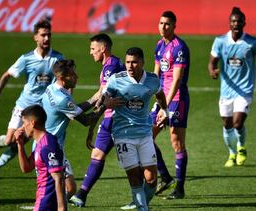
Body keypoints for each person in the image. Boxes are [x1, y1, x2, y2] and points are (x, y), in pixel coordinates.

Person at [0, 20, 64, 181]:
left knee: (20, 140)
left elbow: (64, 79)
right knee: (10, 140)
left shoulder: (57, 58)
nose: (46, 38)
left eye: (49, 35)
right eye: (43, 35)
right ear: (35, 37)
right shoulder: (26, 59)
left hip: (39, 110)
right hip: (23, 106)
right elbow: (6, 75)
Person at [104, 47, 168, 211]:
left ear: (142, 63)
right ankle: (142, 207)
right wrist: (107, 103)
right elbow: (104, 97)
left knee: (152, 179)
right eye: (127, 62)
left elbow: (160, 95)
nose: (130, 66)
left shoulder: (152, 80)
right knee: (134, 176)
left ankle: (141, 203)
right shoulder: (116, 79)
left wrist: (164, 110)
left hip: (145, 135)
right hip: (123, 135)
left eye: (134, 62)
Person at [41, 59, 115, 199]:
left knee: (69, 189)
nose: (77, 77)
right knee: (52, 191)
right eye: (72, 75)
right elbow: (86, 120)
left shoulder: (53, 87)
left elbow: (74, 109)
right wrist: (105, 105)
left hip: (51, 145)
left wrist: (94, 98)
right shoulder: (61, 99)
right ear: (62, 78)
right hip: (50, 148)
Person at [208, 7, 256, 167]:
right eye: (233, 21)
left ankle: (241, 147)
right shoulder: (220, 41)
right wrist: (212, 70)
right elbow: (212, 61)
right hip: (227, 90)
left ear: (244, 23)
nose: (236, 24)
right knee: (226, 124)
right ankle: (232, 153)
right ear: (229, 23)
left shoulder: (252, 42)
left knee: (237, 123)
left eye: (239, 21)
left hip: (245, 89)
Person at [69, 33, 125, 207]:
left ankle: (151, 187)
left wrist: (88, 117)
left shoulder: (111, 67)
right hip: (111, 117)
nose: (90, 52)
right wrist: (78, 110)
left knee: (133, 161)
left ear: (103, 49)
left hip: (117, 118)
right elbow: (99, 95)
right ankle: (81, 195)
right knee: (97, 155)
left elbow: (104, 97)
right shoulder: (109, 65)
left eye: (93, 49)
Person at [152, 10, 191, 200]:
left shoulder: (179, 47)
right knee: (146, 136)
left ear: (174, 25)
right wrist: (154, 99)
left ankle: (180, 188)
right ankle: (165, 177)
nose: (163, 27)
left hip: (176, 100)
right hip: (162, 100)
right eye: (161, 23)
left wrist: (165, 106)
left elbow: (176, 80)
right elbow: (155, 75)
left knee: (176, 142)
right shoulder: (159, 46)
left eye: (167, 24)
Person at [14, 105, 66, 211]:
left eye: (24, 123)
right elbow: (26, 168)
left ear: (32, 123)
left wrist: (61, 208)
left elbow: (59, 178)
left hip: (47, 202)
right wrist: (20, 144)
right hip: (43, 200)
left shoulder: (48, 145)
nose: (22, 127)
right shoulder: (41, 143)